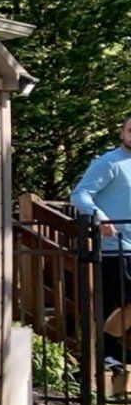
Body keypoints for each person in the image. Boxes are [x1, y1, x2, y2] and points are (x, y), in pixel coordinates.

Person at [71, 115, 131, 364]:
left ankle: (111, 350)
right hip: (116, 248)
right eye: (130, 129)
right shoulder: (109, 162)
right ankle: (107, 351)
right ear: (122, 132)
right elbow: (80, 193)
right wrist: (101, 218)